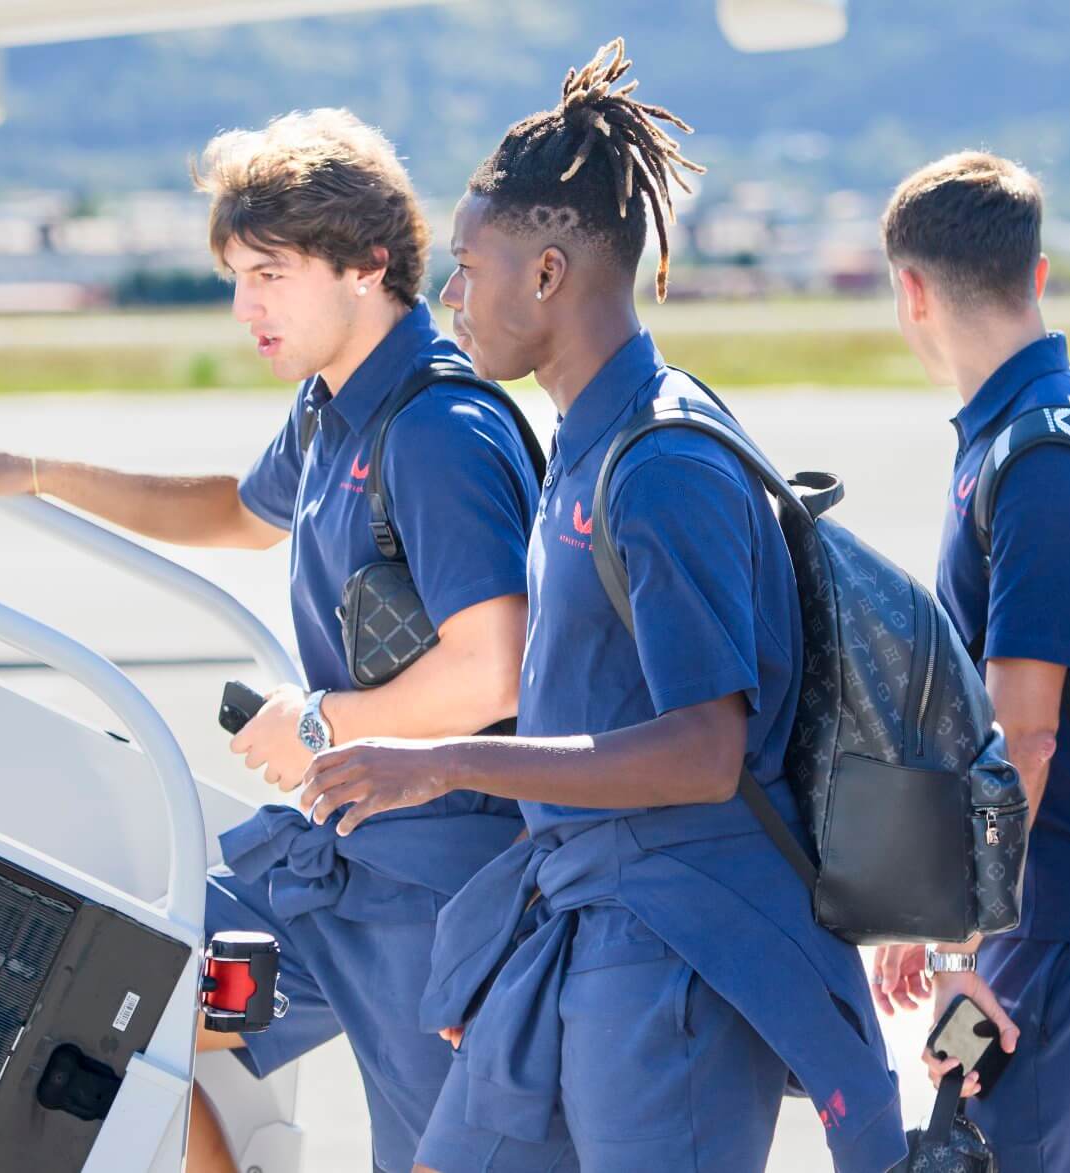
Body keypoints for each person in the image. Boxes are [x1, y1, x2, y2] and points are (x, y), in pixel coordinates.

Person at [285, 40, 907, 1173]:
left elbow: (702, 752)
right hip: (576, 917)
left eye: (469, 267)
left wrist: (451, 761)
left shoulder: (663, 461)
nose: (451, 296)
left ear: (549, 273)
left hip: (671, 946)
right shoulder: (588, 440)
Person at [0, 109, 537, 1173]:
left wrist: (323, 724)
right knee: (103, 1012)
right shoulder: (335, 410)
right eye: (238, 274)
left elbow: (497, 665)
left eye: (270, 273)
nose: (245, 305)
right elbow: (233, 513)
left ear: (368, 264)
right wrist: (38, 474)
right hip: (336, 855)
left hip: (441, 884)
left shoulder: (438, 432)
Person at [865, 150, 1070, 1172]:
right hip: (1050, 923)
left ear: (910, 292)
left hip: (1061, 932)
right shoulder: (1034, 425)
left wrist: (958, 940)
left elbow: (1024, 734)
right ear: (1037, 276)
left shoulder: (1040, 458)